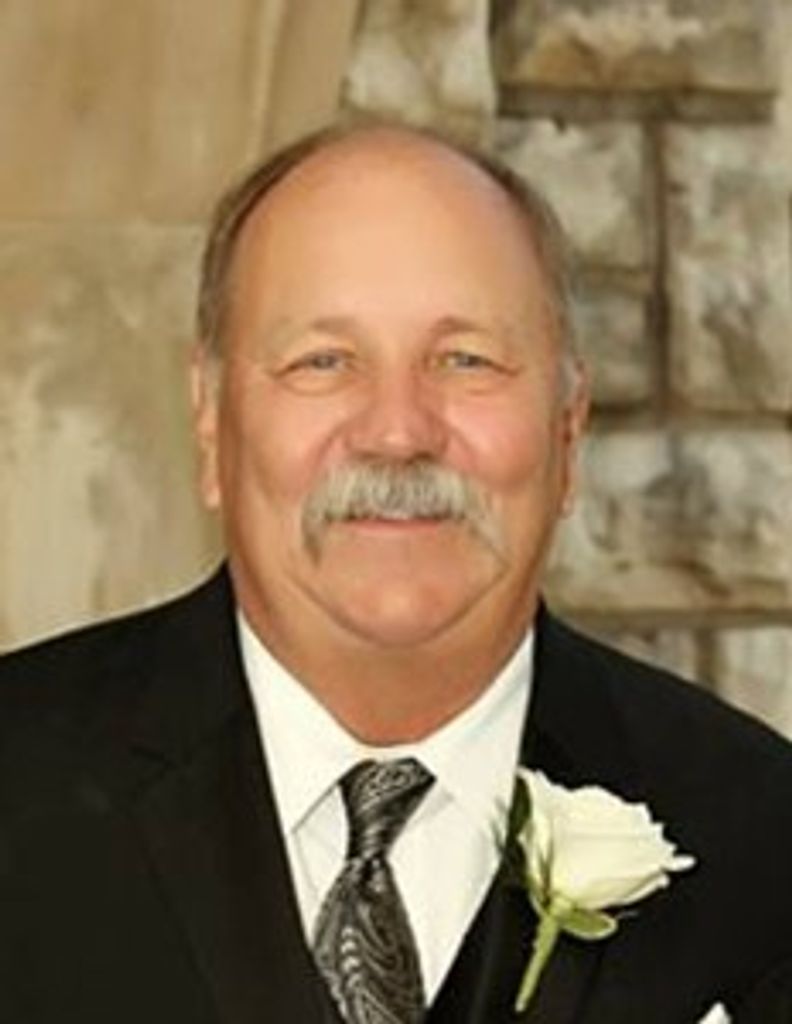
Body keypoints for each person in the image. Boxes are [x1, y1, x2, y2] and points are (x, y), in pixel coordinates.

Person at [1, 122, 791, 1024]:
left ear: (568, 430)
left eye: (466, 361)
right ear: (212, 422)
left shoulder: (761, 843)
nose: (397, 431)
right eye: (323, 362)